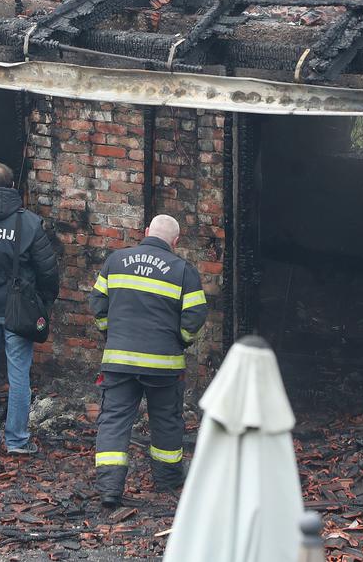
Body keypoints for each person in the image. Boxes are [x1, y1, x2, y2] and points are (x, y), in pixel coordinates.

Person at [88, 214, 208, 507]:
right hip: (163, 365)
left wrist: (110, 334)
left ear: (145, 232)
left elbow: (98, 305)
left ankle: (109, 490)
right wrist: (179, 340)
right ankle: (167, 481)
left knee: (114, 420)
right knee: (166, 420)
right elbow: (195, 315)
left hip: (119, 362)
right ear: (176, 241)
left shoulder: (116, 261)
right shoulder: (183, 270)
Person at [0, 160, 59, 455]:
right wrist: (44, 302)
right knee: (19, 375)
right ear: (11, 187)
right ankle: (17, 441)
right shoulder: (29, 223)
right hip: (18, 311)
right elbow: (48, 271)